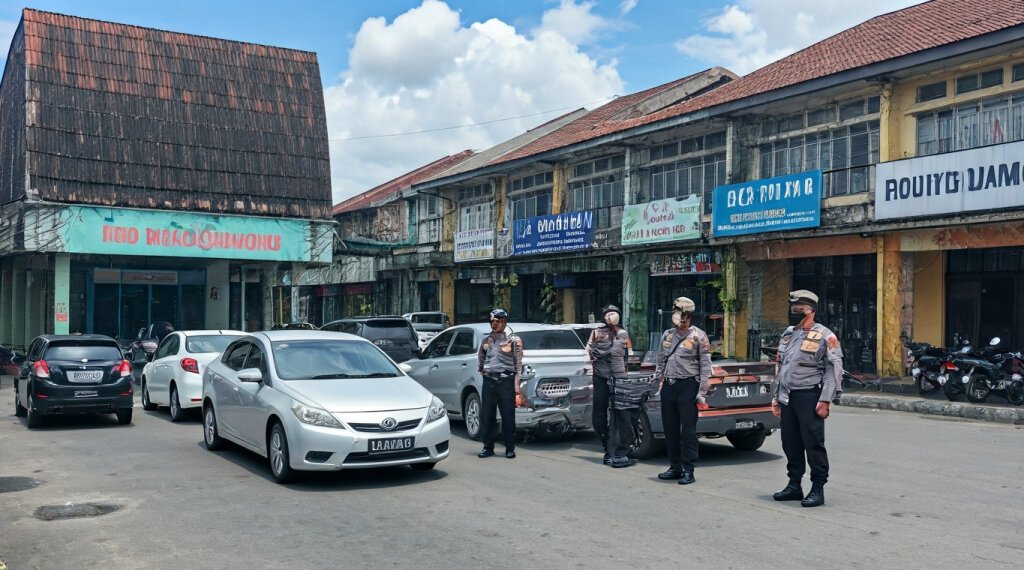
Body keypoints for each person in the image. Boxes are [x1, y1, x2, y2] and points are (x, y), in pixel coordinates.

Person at [771, 290, 843, 508]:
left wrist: (826, 399)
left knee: (813, 443)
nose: (794, 312)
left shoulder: (825, 335)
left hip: (810, 395)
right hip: (787, 396)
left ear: (811, 309)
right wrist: (775, 396)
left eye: (799, 308)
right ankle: (794, 485)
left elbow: (834, 368)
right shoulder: (788, 333)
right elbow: (780, 365)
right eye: (792, 308)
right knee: (790, 443)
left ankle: (818, 488)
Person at [653, 297, 711, 485]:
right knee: (670, 429)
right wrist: (657, 381)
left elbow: (705, 364)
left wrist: (701, 391)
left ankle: (688, 469)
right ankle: (675, 466)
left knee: (688, 430)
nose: (682, 320)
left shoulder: (698, 336)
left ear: (691, 317)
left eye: (686, 316)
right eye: (679, 316)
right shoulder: (668, 335)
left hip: (689, 385)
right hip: (670, 385)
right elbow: (661, 358)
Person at [585, 305, 631, 466]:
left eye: (614, 314)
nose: (610, 317)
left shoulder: (622, 333)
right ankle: (607, 447)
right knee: (598, 417)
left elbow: (615, 351)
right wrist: (592, 355)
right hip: (600, 377)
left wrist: (598, 354)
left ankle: (621, 450)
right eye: (608, 314)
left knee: (620, 415)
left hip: (618, 378)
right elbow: (588, 350)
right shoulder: (596, 332)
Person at [476, 308, 524, 459]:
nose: (494, 324)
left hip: (506, 381)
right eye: (492, 321)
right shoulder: (487, 340)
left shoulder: (513, 340)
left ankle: (510, 448)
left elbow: (518, 365)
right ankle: (488, 447)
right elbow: (481, 359)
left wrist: (516, 387)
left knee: (508, 416)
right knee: (487, 415)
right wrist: (483, 373)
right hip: (489, 380)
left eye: (497, 321)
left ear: (504, 321)